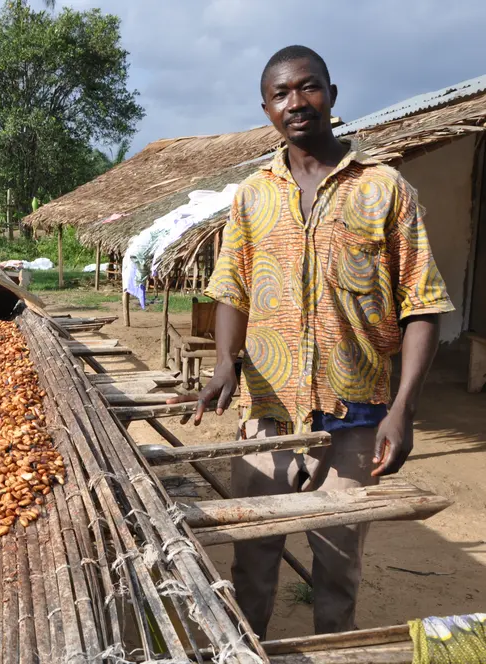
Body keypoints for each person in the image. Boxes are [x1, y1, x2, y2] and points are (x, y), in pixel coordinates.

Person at [170, 45, 454, 639]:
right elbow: (231, 289)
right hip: (267, 419)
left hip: (356, 423)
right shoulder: (252, 195)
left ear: (331, 93)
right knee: (252, 564)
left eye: (308, 87)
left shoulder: (386, 189)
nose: (296, 102)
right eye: (281, 93)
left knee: (337, 572)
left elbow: (422, 305)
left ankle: (333, 653)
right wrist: (224, 361)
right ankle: (249, 651)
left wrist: (403, 410)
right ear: (266, 108)